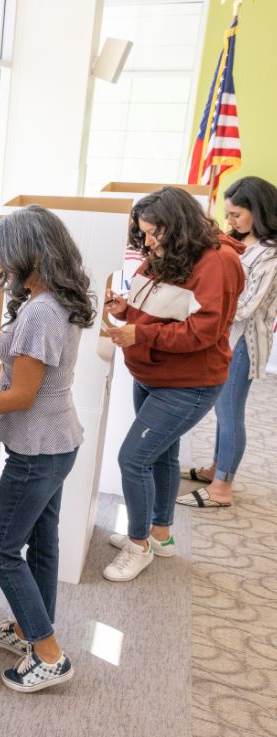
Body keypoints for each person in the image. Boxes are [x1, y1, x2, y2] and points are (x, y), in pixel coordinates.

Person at [0, 205, 95, 693]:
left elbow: (23, 396)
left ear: (28, 253)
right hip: (56, 441)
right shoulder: (54, 298)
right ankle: (27, 630)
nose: (1, 265)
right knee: (41, 540)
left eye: (4, 255)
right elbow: (32, 377)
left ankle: (49, 653)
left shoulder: (40, 310)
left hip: (38, 450)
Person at [104, 187, 244, 582]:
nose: (148, 242)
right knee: (162, 455)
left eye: (154, 233)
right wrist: (125, 309)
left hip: (187, 383)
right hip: (154, 374)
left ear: (178, 225)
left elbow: (203, 332)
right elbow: (156, 304)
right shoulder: (170, 251)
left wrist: (141, 334)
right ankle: (160, 535)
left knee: (133, 460)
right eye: (144, 233)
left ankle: (139, 545)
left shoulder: (219, 262)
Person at [179, 176, 277, 508]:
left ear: (258, 211)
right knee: (222, 410)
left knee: (230, 411)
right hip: (228, 337)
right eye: (228, 214)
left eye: (236, 214)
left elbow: (247, 306)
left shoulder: (270, 255)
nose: (230, 221)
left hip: (244, 342)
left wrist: (205, 303)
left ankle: (222, 487)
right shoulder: (241, 243)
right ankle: (216, 469)